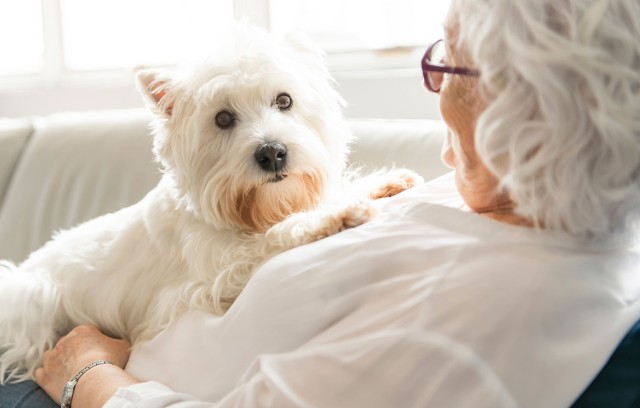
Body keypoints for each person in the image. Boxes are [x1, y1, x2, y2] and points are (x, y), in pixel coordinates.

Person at [2, 0, 640, 406]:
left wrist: (88, 376)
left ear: (523, 108)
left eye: (448, 63)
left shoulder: (485, 323)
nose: (436, 88)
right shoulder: (510, 201)